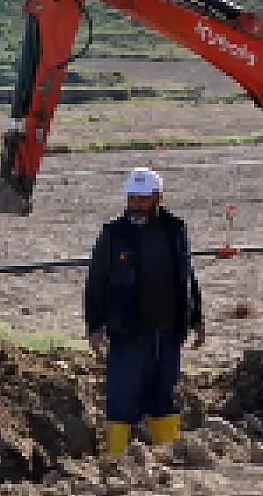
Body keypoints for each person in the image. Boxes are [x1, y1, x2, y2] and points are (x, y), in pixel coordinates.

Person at [83, 167, 205, 456]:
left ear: (158, 197)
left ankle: (166, 457)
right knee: (122, 397)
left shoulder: (175, 229)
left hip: (169, 330)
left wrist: (197, 318)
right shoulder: (114, 234)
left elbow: (187, 275)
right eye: (132, 199)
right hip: (128, 331)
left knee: (164, 394)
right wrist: (95, 326)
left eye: (143, 199)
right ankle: (116, 460)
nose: (136, 205)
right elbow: (96, 281)